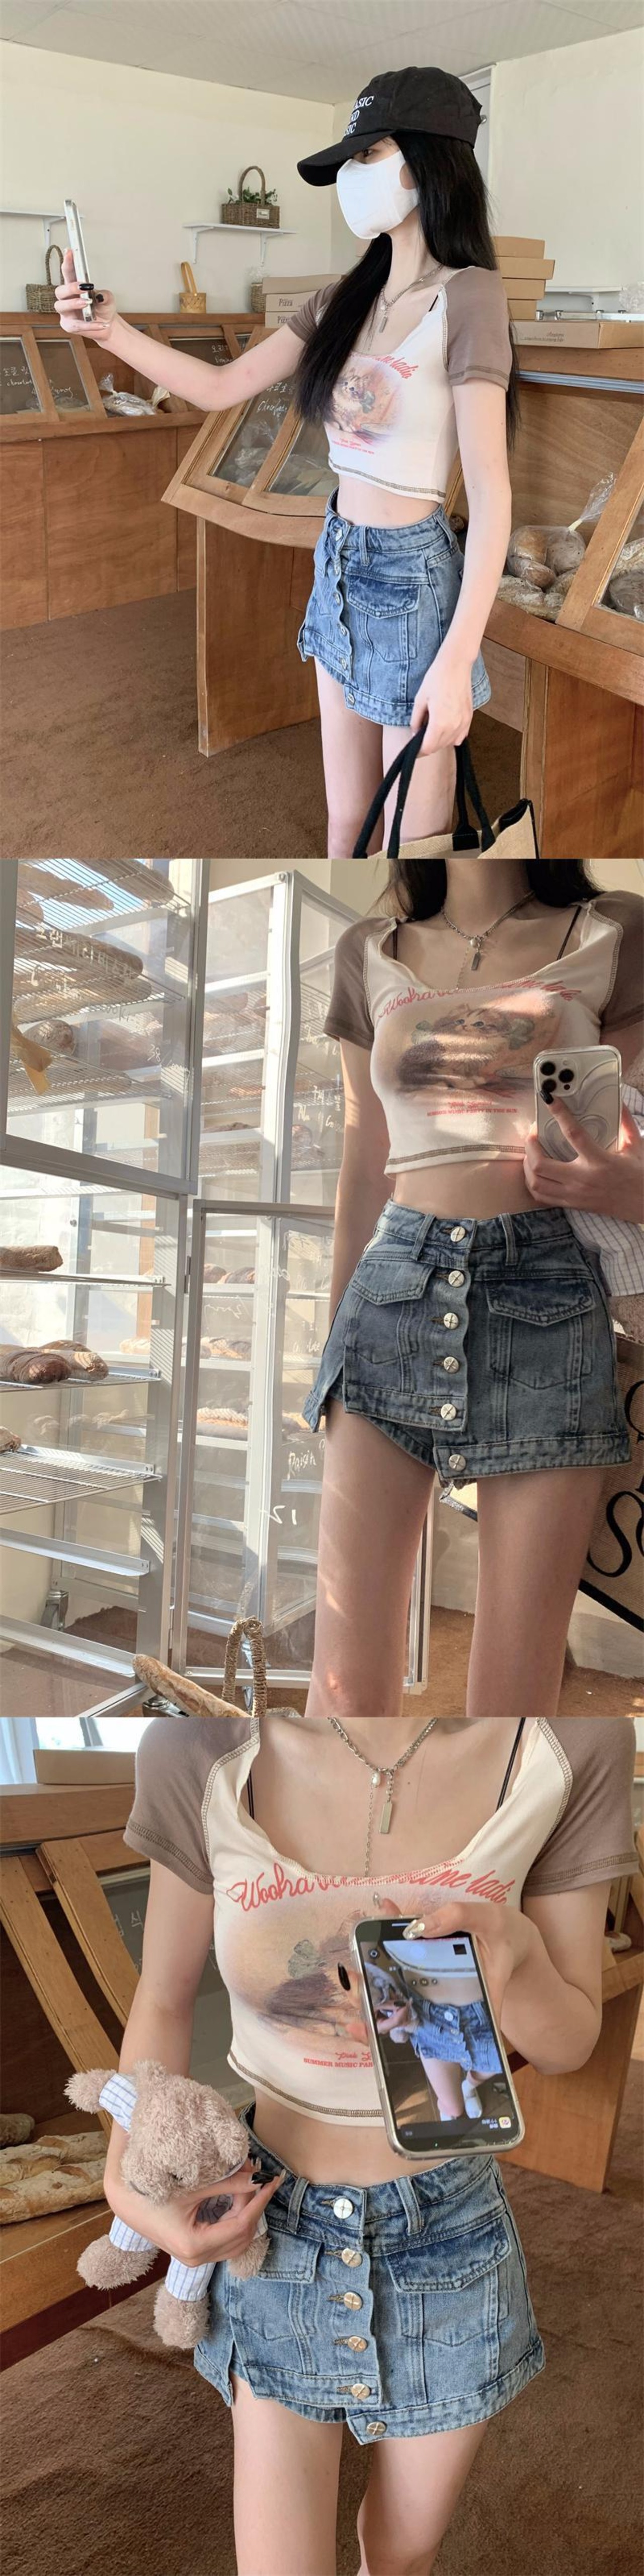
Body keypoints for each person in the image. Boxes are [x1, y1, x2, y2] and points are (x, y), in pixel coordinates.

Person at [106, 1646, 636, 2576]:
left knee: (400, 2554)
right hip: (271, 2228)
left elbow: (570, 2040)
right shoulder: (199, 1750)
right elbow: (162, 1996)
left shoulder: (568, 1747)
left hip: (450, 2235)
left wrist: (512, 1947)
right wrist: (126, 2183)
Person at [55, 67, 515, 857]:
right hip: (337, 558)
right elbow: (221, 386)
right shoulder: (341, 299)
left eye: (368, 155)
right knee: (347, 823)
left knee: (414, 841)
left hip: (414, 580)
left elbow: (493, 497)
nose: (352, 178)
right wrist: (112, 332)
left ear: (430, 160)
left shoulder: (470, 296)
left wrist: (458, 658)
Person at [301, 857, 644, 1720]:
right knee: (342, 1693)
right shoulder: (367, 950)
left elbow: (631, 1127)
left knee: (514, 1703)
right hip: (390, 1290)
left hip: (549, 1296)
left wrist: (634, 1191)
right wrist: (331, 1360)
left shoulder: (616, 931)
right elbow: (362, 1166)